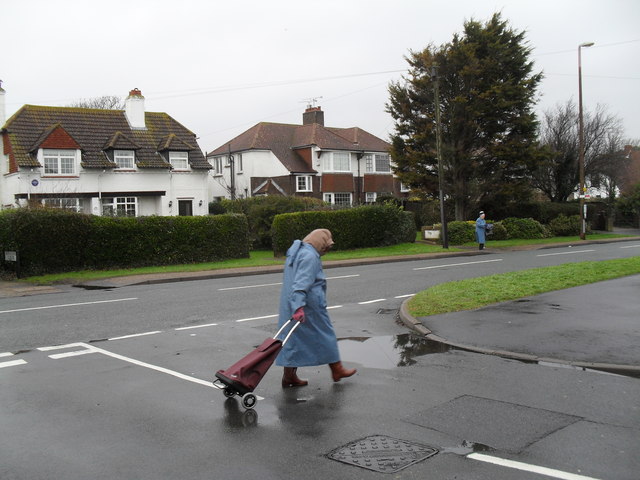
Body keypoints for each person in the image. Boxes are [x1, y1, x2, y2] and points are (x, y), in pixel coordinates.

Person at [276, 228, 357, 388]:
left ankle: (289, 376)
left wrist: (295, 305)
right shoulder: (310, 256)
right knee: (325, 335)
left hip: (292, 304)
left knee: (293, 340)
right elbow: (301, 283)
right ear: (320, 244)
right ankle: (337, 369)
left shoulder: (297, 252)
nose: (327, 250)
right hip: (308, 306)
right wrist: (299, 307)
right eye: (327, 247)